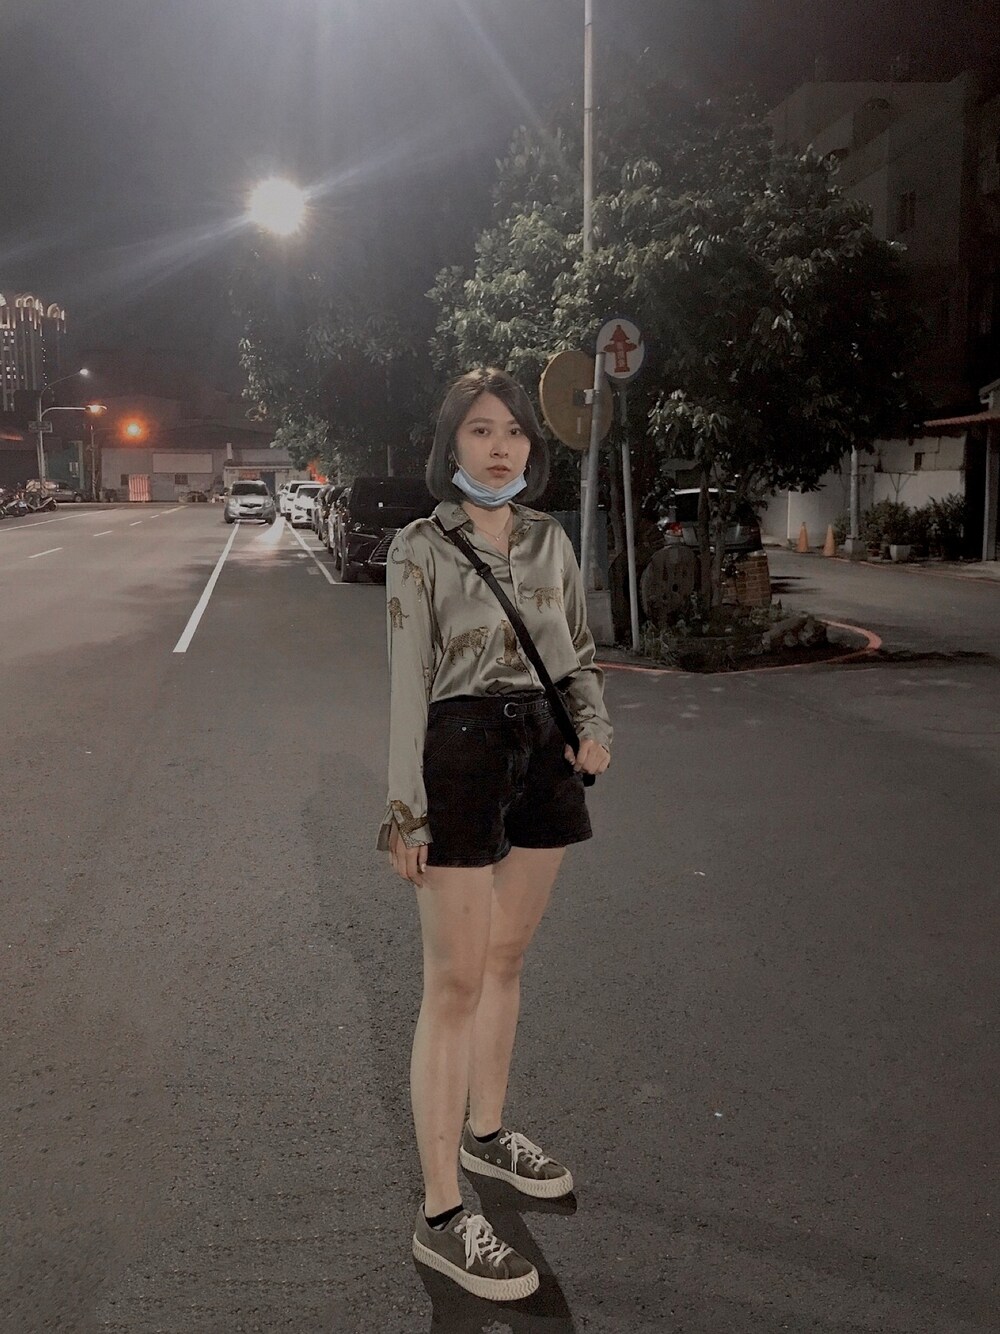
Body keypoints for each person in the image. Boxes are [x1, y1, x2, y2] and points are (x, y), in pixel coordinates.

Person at [378, 367, 612, 1301]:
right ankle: (442, 1215)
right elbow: (407, 682)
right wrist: (406, 809)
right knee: (455, 982)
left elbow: (576, 651)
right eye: (481, 429)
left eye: (513, 430)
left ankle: (487, 1132)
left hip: (546, 750)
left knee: (507, 960)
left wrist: (593, 727)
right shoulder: (420, 547)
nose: (501, 445)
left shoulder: (550, 538)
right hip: (462, 752)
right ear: (452, 445)